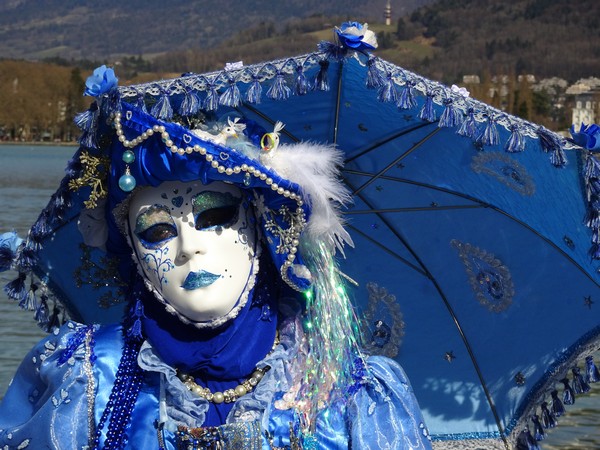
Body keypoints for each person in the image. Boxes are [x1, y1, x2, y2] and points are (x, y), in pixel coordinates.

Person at [0, 59, 431, 449]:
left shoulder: (346, 395)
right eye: (157, 230)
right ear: (133, 253)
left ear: (261, 229)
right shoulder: (88, 378)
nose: (189, 247)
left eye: (215, 216)